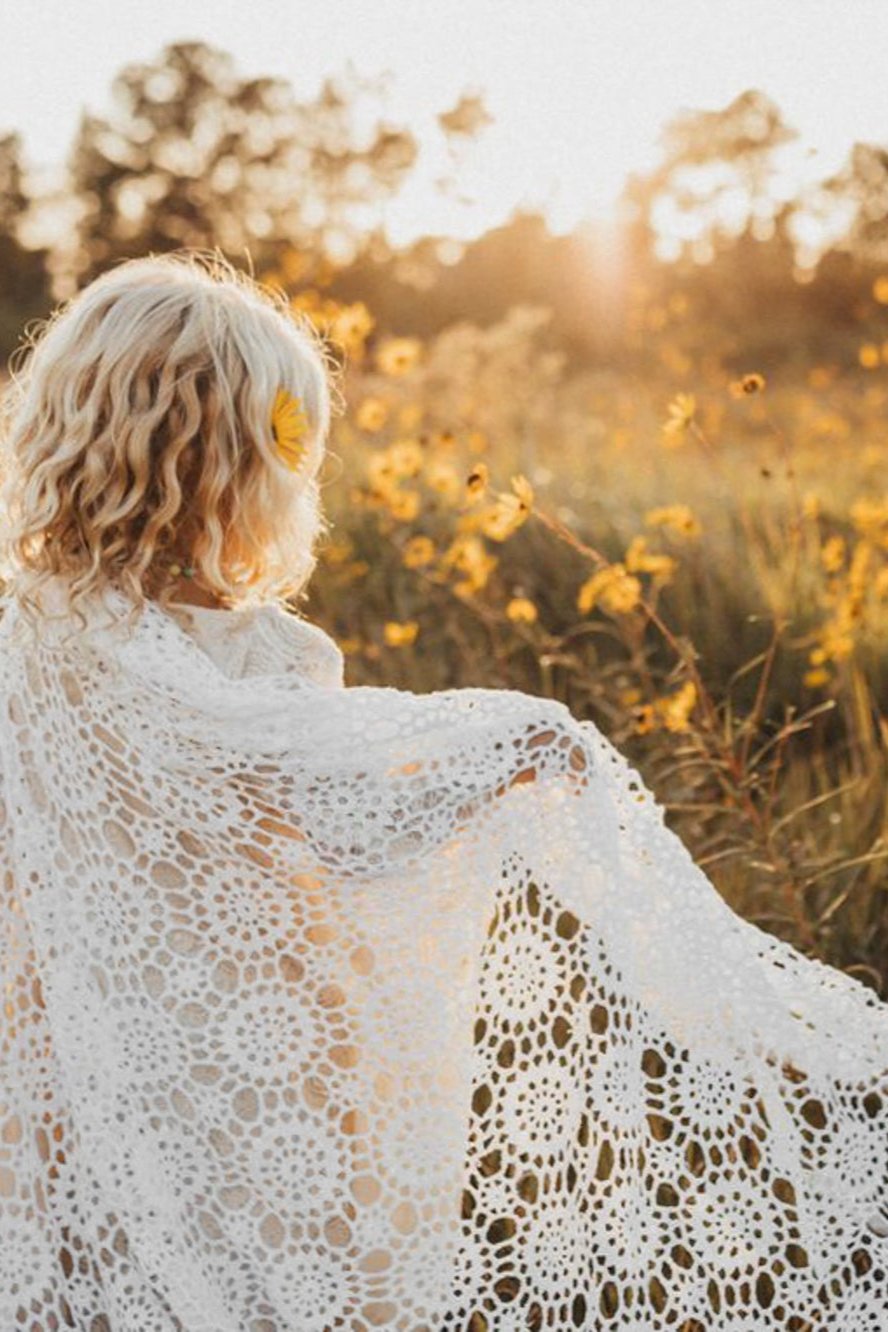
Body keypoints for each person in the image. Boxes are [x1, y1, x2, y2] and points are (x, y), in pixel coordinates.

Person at [0, 250, 884, 1332]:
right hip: (242, 1077)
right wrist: (512, 745)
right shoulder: (239, 662)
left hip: (96, 1060)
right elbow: (348, 814)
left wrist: (487, 763)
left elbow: (324, 797)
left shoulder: (38, 642)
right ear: (238, 469)